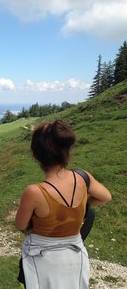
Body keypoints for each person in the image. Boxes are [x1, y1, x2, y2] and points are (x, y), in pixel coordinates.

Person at [15, 119, 112, 289]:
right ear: (66, 151)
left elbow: (20, 224)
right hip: (75, 255)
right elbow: (106, 197)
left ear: (35, 154)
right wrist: (82, 206)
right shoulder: (83, 178)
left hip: (42, 259)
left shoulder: (34, 191)